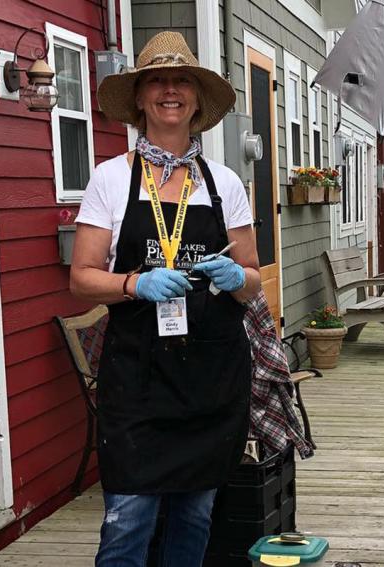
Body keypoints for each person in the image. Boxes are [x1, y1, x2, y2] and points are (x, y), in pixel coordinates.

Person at [69, 31, 261, 567]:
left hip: (211, 379)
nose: (170, 90)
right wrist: (135, 284)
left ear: (198, 99)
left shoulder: (225, 183)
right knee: (127, 519)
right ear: (139, 98)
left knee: (196, 516)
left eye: (182, 81)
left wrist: (233, 275)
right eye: (157, 80)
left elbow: (253, 280)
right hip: (137, 380)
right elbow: (81, 278)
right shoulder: (110, 178)